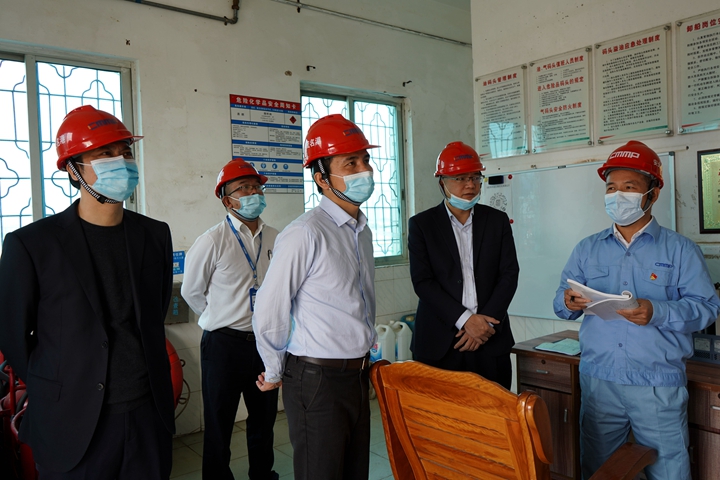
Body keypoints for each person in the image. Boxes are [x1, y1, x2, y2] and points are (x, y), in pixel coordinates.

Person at [0, 105, 175, 478]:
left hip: (146, 414)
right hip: (70, 421)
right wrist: (60, 383)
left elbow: (154, 312)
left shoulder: (154, 234)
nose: (121, 162)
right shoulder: (31, 244)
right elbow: (13, 335)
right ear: (72, 169)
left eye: (126, 152)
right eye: (105, 154)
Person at [554, 140, 720, 480]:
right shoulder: (587, 249)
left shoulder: (680, 250)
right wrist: (568, 302)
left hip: (657, 383)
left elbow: (706, 308)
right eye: (611, 187)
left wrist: (657, 311)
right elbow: (561, 301)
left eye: (629, 187)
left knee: (668, 471)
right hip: (599, 380)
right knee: (600, 471)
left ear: (652, 194)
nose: (618, 195)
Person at [252, 114, 378, 480]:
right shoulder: (305, 233)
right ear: (322, 178)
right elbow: (270, 307)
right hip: (317, 379)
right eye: (350, 163)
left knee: (355, 472)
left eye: (365, 160)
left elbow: (360, 300)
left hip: (357, 375)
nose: (364, 170)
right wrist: (273, 368)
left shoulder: (361, 230)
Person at [181, 159, 279, 480]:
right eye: (244, 188)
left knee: (263, 419)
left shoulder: (276, 238)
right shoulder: (212, 240)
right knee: (219, 422)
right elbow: (191, 292)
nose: (254, 193)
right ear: (227, 200)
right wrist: (221, 316)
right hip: (223, 345)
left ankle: (262, 475)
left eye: (256, 187)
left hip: (264, 344)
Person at [408, 141, 519, 389]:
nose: (470, 185)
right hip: (439, 344)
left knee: (493, 411)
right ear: (442, 183)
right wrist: (466, 320)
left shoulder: (497, 221)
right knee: (440, 412)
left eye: (475, 177)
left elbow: (509, 274)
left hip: (490, 341)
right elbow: (423, 282)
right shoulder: (422, 225)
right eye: (460, 178)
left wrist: (484, 325)